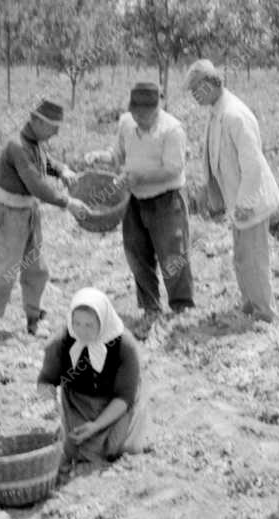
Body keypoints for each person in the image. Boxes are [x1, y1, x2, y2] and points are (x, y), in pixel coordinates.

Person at [0, 100, 88, 347]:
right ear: (38, 121)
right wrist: (68, 203)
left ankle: (35, 318)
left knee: (36, 268)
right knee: (5, 272)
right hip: (9, 215)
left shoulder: (34, 144)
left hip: (28, 212)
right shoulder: (17, 146)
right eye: (53, 126)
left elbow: (46, 162)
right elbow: (36, 185)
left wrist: (62, 170)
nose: (57, 132)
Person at [86, 82, 194, 338]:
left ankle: (181, 307)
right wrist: (102, 156)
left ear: (157, 109)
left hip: (167, 200)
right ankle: (150, 307)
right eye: (136, 113)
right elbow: (118, 154)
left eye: (146, 114)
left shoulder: (172, 130)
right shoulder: (126, 124)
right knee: (136, 253)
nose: (140, 118)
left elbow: (173, 168)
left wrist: (137, 176)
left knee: (173, 254)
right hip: (134, 199)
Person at [186, 59, 279, 323]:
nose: (193, 96)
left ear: (209, 84)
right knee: (242, 258)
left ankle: (264, 314)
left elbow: (252, 165)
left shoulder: (234, 115)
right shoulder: (218, 112)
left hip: (251, 201)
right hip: (237, 201)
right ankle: (250, 306)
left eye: (196, 89)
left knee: (254, 260)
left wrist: (245, 202)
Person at [36, 288, 148, 465]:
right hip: (78, 403)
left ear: (102, 322)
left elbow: (124, 397)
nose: (82, 331)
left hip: (115, 404)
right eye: (77, 324)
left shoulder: (124, 346)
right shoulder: (61, 342)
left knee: (116, 449)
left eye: (89, 325)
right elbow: (46, 380)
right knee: (73, 449)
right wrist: (51, 405)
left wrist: (96, 425)